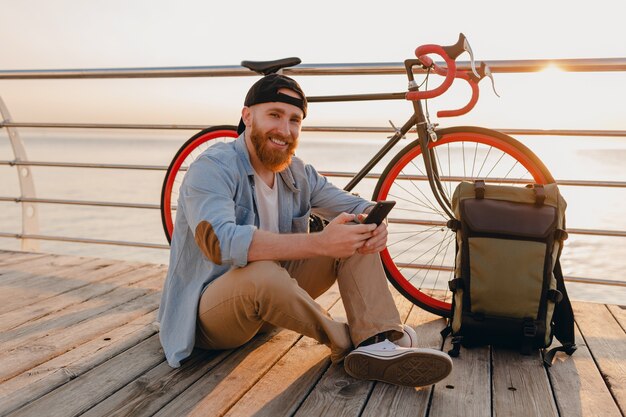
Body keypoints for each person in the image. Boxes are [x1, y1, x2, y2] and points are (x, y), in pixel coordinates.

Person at [157, 73, 453, 387]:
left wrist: (375, 224)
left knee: (355, 232)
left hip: (269, 309)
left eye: (294, 120)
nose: (285, 130)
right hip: (209, 318)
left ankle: (375, 340)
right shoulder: (213, 167)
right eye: (274, 115)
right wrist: (320, 244)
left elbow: (354, 206)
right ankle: (348, 342)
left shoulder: (297, 172)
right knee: (262, 274)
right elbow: (219, 241)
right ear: (247, 115)